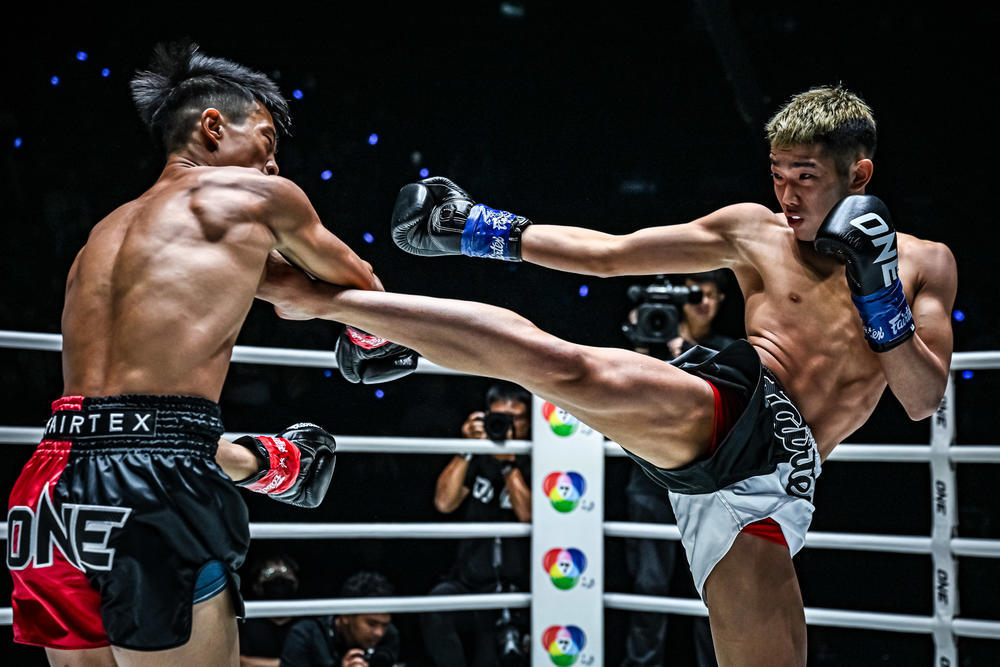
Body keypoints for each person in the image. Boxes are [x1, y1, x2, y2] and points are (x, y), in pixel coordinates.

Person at [257, 85, 957, 667]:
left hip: (780, 486)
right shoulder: (755, 231)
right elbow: (610, 254)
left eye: (805, 177)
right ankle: (348, 308)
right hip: (739, 406)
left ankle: (386, 328)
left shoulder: (925, 264)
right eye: (777, 173)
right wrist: (473, 229)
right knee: (565, 366)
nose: (787, 194)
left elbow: (922, 397)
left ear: (858, 175)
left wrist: (879, 296)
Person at [4, 42, 415, 667]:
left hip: (50, 476)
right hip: (158, 474)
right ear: (213, 126)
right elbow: (363, 289)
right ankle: (266, 462)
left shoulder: (103, 233)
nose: (273, 164)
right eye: (267, 140)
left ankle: (261, 461)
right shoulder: (256, 197)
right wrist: (368, 339)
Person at [620, 272, 731, 667]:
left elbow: (728, 404)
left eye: (711, 294)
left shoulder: (726, 350)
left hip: (707, 487)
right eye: (695, 293)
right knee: (647, 588)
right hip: (650, 483)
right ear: (681, 297)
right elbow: (625, 394)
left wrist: (683, 351)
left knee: (714, 591)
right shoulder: (648, 342)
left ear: (721, 300)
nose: (703, 302)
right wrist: (640, 343)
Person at [420, 382, 532, 667]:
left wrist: (509, 465)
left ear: (530, 422)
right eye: (499, 418)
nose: (507, 426)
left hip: (522, 587)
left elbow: (529, 516)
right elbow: (444, 502)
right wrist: (467, 450)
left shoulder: (539, 458)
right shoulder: (478, 454)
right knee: (436, 606)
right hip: (471, 581)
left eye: (515, 419)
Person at [279, 571, 401, 667]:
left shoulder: (389, 636)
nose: (379, 632)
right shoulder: (306, 636)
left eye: (385, 625)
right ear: (345, 615)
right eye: (371, 623)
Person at [239, 555, 303, 667]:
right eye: (269, 572)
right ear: (256, 586)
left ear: (296, 582)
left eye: (285, 571)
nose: (278, 576)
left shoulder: (307, 624)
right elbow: (240, 661)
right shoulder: (246, 626)